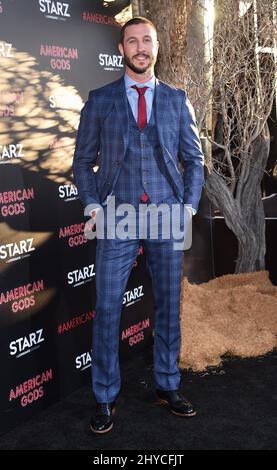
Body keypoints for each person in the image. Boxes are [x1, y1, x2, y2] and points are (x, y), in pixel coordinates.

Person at [73, 16, 205, 434]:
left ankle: (168, 384)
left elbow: (195, 159)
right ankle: (105, 396)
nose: (141, 47)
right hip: (117, 217)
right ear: (122, 49)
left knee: (168, 304)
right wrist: (93, 205)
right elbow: (82, 161)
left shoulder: (176, 99)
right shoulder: (100, 100)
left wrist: (188, 206)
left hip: (168, 216)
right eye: (132, 41)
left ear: (156, 47)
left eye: (147, 40)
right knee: (109, 308)